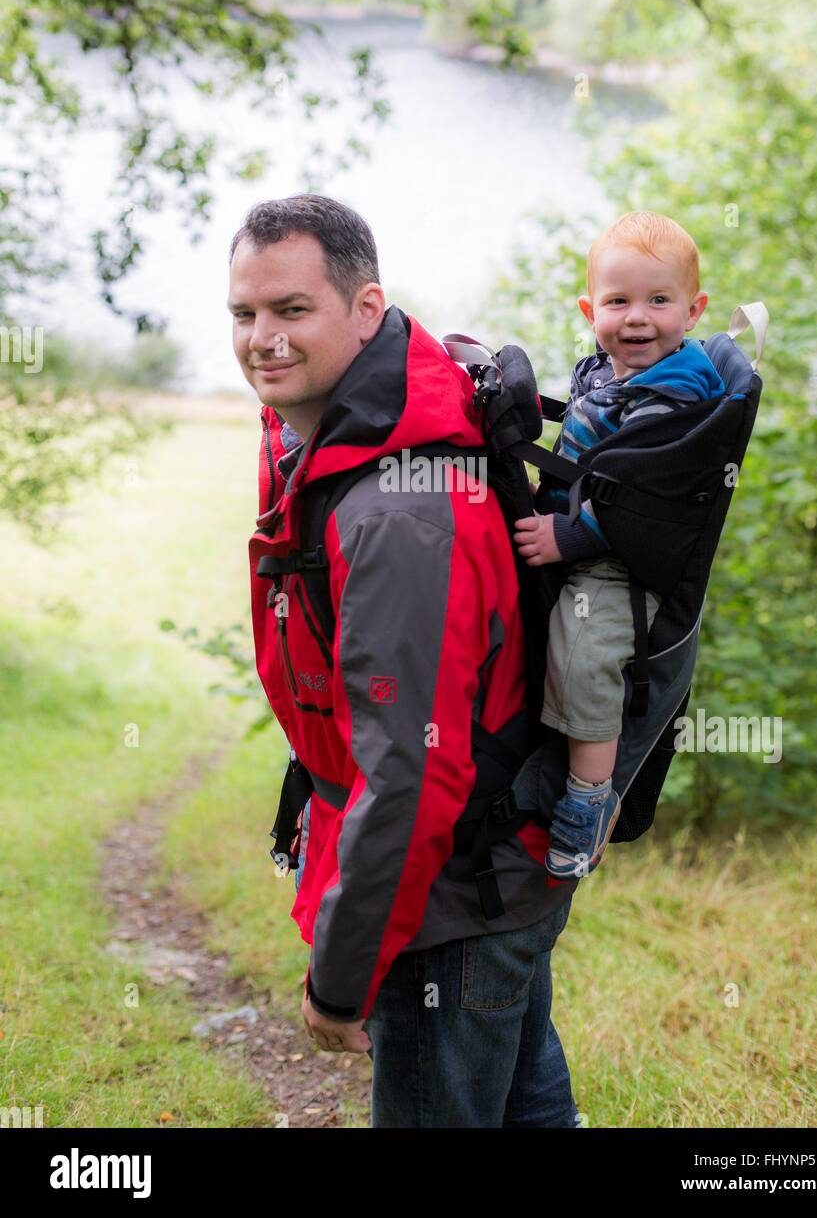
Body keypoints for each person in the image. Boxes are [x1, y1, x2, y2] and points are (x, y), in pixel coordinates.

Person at [229, 193, 582, 1127]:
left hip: (451, 904)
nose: (262, 338)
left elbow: (414, 775)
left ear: (366, 308)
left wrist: (340, 981)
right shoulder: (351, 427)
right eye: (244, 313)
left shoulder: (395, 512)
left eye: (292, 311)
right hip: (502, 868)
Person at [513, 211, 725, 879]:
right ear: (590, 309)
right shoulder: (607, 373)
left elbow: (646, 501)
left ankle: (587, 799)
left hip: (616, 564)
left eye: (659, 301)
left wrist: (567, 536)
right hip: (582, 523)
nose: (638, 318)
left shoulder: (673, 397)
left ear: (694, 311)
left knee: (585, 655)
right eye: (619, 302)